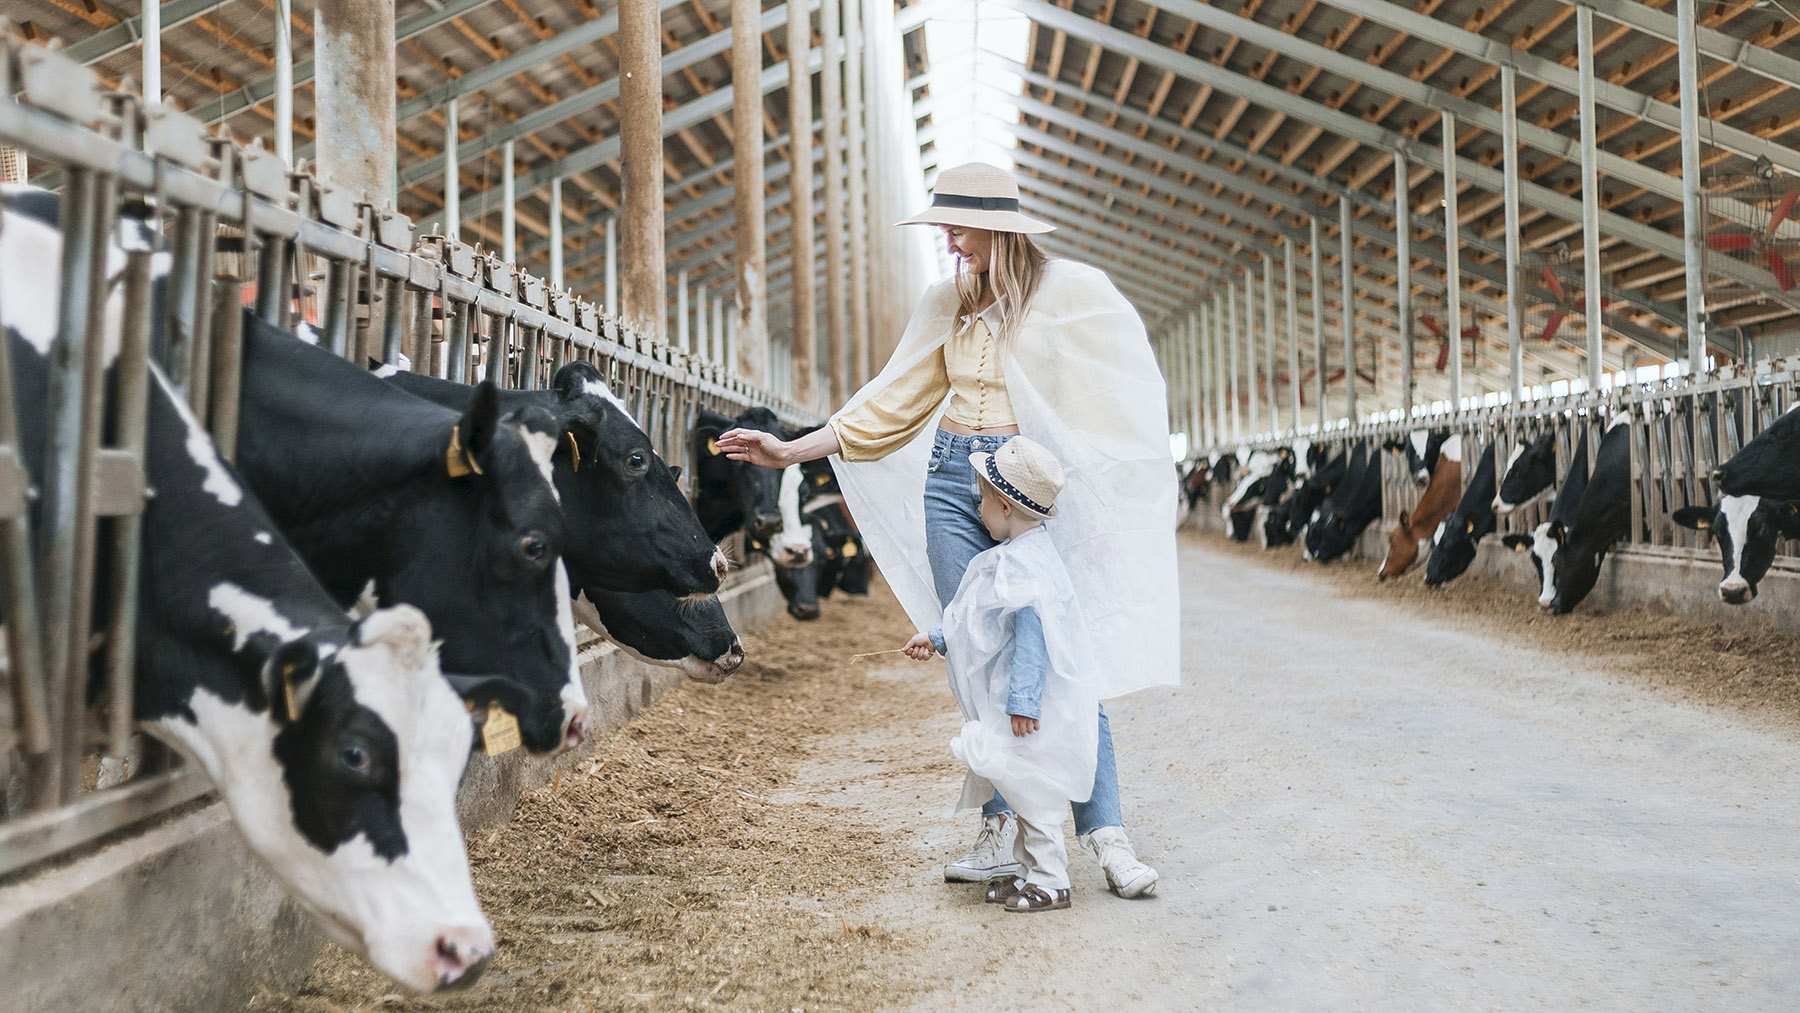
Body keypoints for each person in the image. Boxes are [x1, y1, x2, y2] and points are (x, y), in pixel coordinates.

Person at [715, 162, 1177, 899]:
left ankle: (1106, 832)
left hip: (1026, 486)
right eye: (943, 223)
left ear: (999, 225)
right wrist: (791, 449)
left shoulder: (1064, 298)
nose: (948, 237)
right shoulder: (947, 301)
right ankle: (999, 828)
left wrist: (1109, 507)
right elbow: (892, 401)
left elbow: (1104, 407)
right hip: (952, 483)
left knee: (1062, 652)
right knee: (975, 654)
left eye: (958, 222)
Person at [900, 437, 1097, 912]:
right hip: (1014, 699)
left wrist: (1024, 701)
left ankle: (1052, 879)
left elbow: (1034, 635)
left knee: (1033, 789)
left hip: (1027, 705)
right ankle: (1028, 872)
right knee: (1016, 781)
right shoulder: (1020, 555)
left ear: (1005, 507)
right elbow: (981, 616)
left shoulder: (1026, 567)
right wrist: (939, 636)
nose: (978, 507)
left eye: (982, 498)